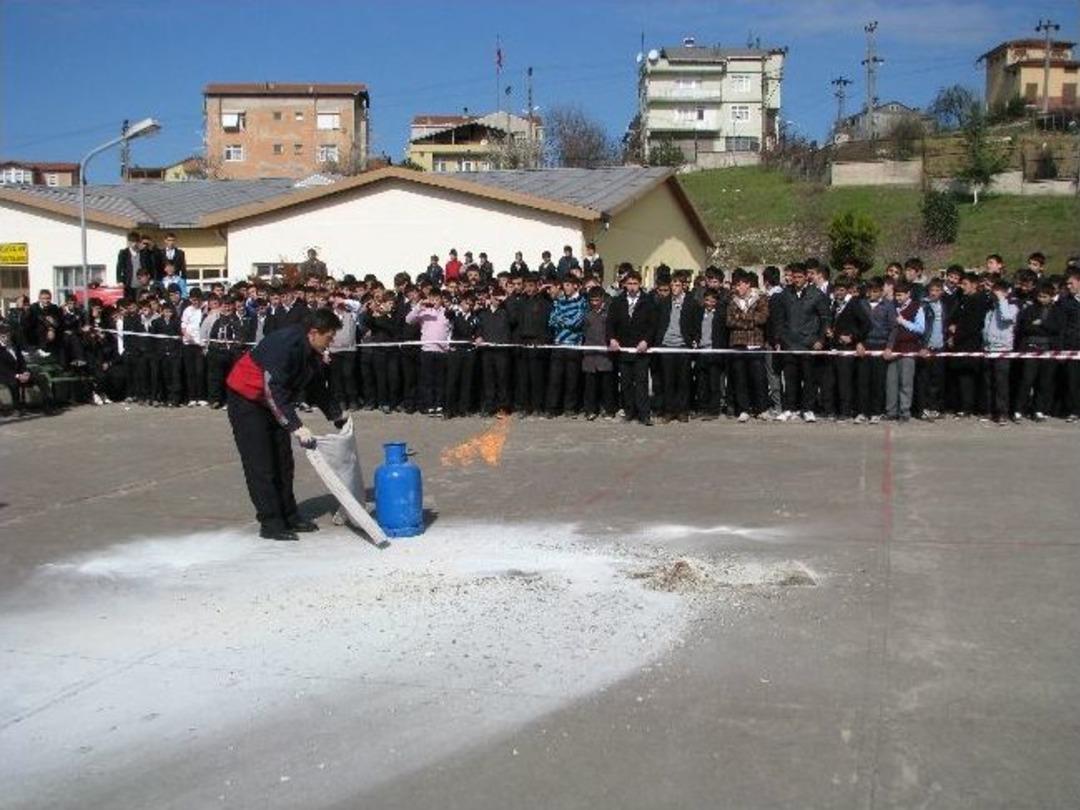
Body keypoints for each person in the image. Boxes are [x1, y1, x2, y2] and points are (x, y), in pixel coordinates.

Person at [225, 308, 346, 541]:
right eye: (329, 337)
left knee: (283, 462)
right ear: (314, 332)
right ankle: (271, 523)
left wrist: (336, 415)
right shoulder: (285, 345)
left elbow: (316, 385)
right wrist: (295, 426)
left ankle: (290, 515)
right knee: (261, 464)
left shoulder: (311, 350)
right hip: (248, 400)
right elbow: (272, 389)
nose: (330, 343)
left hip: (272, 401)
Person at [773, 263, 830, 422]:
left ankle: (808, 409)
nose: (796, 280)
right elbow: (779, 319)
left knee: (809, 379)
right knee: (790, 379)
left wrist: (820, 340)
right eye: (794, 277)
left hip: (809, 343)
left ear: (806, 277)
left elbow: (825, 318)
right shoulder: (785, 294)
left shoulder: (816, 294)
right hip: (789, 343)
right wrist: (780, 339)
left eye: (800, 277)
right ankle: (790, 408)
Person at [607, 269, 657, 426]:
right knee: (626, 383)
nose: (632, 286)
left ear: (640, 284)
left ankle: (644, 414)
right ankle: (629, 412)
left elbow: (653, 325)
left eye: (635, 283)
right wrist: (612, 339)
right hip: (623, 349)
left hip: (641, 350)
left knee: (641, 383)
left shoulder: (648, 301)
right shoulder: (617, 301)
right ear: (624, 284)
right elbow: (610, 323)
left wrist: (646, 341)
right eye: (629, 283)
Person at [654, 271, 701, 423]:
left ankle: (682, 410)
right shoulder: (664, 302)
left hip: (683, 345)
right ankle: (669, 410)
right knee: (667, 380)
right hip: (666, 345)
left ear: (684, 286)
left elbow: (696, 325)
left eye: (677, 285)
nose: (674, 288)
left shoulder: (691, 303)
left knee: (683, 380)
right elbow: (658, 323)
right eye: (672, 285)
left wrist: (695, 340)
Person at [726, 272, 770, 422]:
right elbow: (729, 321)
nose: (737, 288)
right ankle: (743, 409)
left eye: (740, 285)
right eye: (735, 285)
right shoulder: (732, 300)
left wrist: (742, 317)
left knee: (758, 378)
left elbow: (762, 318)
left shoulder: (760, 298)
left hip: (755, 343)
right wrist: (750, 322)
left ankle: (761, 409)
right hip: (738, 343)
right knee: (740, 378)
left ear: (747, 284)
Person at [1016, 281, 1059, 421]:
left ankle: (1038, 409)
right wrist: (1038, 327)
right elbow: (1026, 327)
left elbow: (1056, 328)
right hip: (1031, 347)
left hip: (1048, 349)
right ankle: (1019, 409)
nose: (1041, 299)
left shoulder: (1056, 311)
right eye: (1040, 296)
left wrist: (1041, 323)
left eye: (1045, 296)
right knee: (1027, 380)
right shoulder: (1030, 309)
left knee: (1043, 381)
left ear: (1051, 297)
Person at [545, 275, 587, 417]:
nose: (565, 287)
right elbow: (551, 321)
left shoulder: (582, 302)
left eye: (568, 284)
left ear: (575, 285)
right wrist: (565, 319)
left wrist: (562, 320)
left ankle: (570, 408)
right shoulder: (559, 301)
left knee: (572, 379)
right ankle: (553, 408)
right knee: (555, 378)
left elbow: (576, 322)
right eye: (564, 285)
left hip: (574, 345)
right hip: (558, 344)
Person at [883, 282, 925, 422]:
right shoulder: (893, 307)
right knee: (891, 382)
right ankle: (891, 411)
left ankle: (904, 412)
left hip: (908, 350)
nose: (898, 298)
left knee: (905, 383)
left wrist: (903, 322)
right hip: (894, 349)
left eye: (900, 295)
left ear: (908, 294)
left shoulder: (917, 308)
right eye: (896, 295)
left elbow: (920, 328)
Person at [981, 280, 1018, 424]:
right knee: (988, 382)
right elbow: (986, 328)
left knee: (1001, 383)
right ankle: (990, 411)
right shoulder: (991, 309)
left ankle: (1002, 412)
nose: (995, 295)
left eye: (998, 291)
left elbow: (1007, 317)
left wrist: (1002, 298)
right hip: (988, 348)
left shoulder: (1012, 307)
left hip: (1003, 350)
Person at [581, 286, 615, 421]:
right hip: (590, 354)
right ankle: (590, 410)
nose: (594, 303)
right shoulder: (587, 315)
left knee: (607, 385)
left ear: (602, 299)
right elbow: (584, 332)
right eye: (592, 300)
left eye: (597, 300)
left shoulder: (608, 314)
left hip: (605, 355)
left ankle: (609, 409)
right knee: (590, 386)